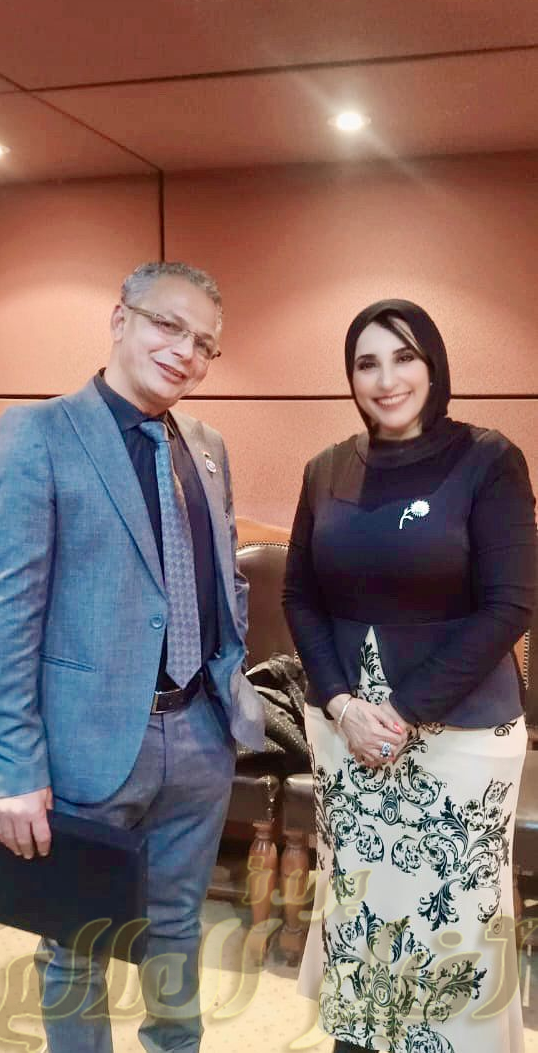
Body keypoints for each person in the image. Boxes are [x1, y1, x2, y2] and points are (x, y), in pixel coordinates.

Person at [0, 260, 264, 1053]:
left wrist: (227, 682)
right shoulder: (38, 435)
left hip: (199, 737)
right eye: (168, 325)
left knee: (177, 927)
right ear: (120, 319)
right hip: (87, 744)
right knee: (77, 945)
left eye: (203, 343)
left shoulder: (207, 445)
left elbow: (225, 575)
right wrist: (15, 767)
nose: (185, 352)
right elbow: (10, 613)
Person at [283, 299, 536, 1053]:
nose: (386, 378)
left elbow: (511, 604)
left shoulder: (489, 460)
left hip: (460, 734)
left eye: (404, 357)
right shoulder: (326, 469)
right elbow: (300, 596)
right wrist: (340, 704)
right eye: (367, 362)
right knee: (361, 911)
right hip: (347, 734)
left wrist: (400, 711)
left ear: (434, 365)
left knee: (452, 923)